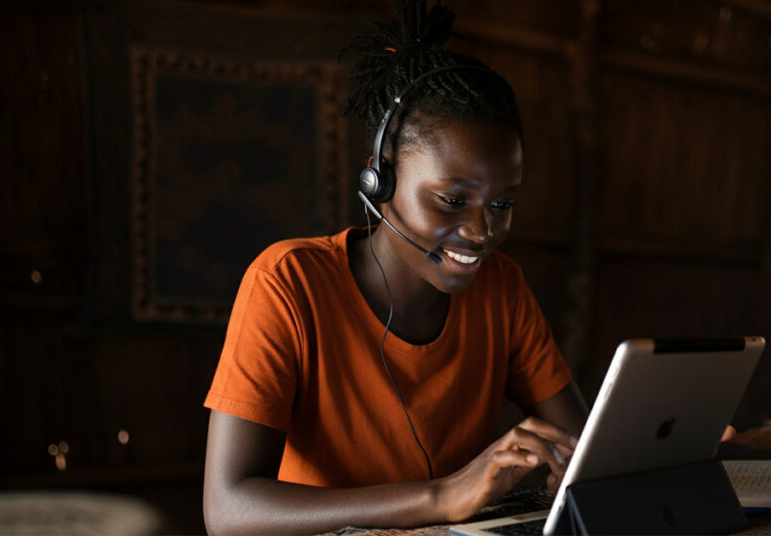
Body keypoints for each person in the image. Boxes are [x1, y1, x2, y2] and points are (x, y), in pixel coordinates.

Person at [201, 1, 588, 533]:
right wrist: (441, 498)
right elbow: (228, 510)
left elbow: (583, 445)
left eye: (501, 205)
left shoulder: (502, 289)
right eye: (452, 201)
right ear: (377, 184)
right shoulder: (288, 284)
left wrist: (629, 451)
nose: (481, 233)